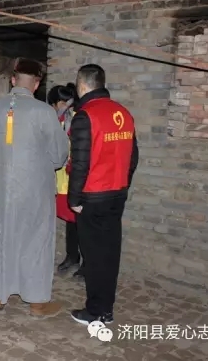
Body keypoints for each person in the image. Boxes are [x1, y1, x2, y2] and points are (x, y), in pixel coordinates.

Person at [0, 58, 68, 316]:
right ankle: (37, 301)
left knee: (1, 237)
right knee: (35, 241)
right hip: (34, 190)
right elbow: (59, 156)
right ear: (37, 83)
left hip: (2, 188)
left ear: (13, 79)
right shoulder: (44, 112)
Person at [68, 64, 139, 326]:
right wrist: (122, 183)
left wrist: (74, 199)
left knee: (94, 256)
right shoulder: (123, 113)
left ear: (81, 84)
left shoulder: (85, 116)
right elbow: (133, 157)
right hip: (116, 194)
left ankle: (96, 311)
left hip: (93, 197)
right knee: (110, 254)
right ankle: (106, 308)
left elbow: (80, 164)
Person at [47, 84, 84, 279]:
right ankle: (72, 256)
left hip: (76, 176)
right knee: (71, 220)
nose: (60, 107)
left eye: (63, 103)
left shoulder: (77, 118)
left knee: (82, 221)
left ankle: (87, 262)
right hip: (62, 178)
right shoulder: (58, 119)